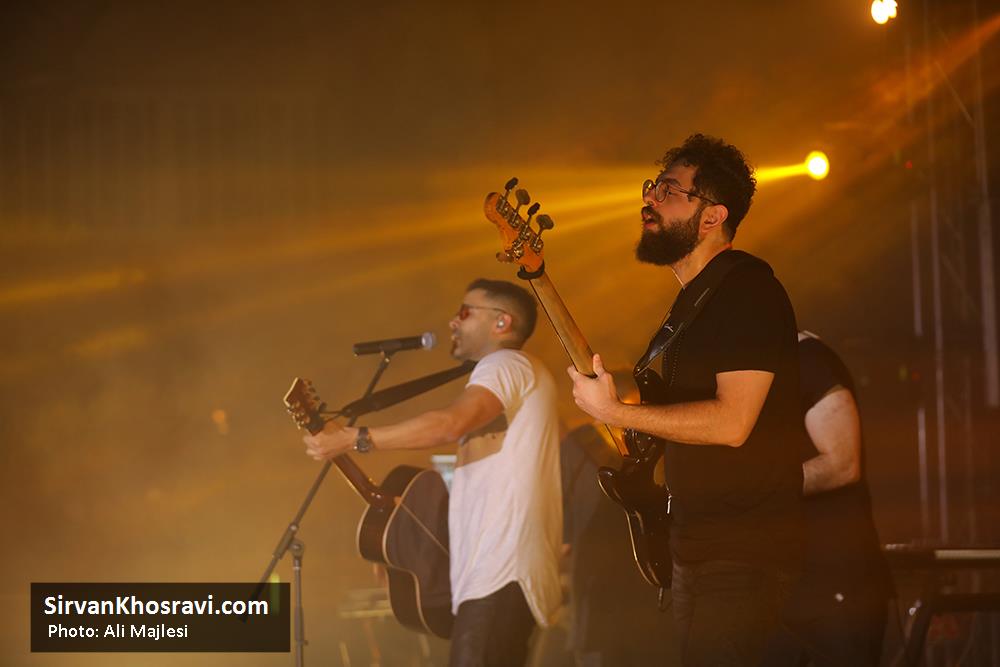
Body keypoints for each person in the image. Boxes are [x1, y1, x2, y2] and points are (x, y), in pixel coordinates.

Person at [567, 134, 804, 666]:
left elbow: (733, 422)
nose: (648, 200)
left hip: (744, 553)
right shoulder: (692, 303)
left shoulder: (747, 291)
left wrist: (615, 412)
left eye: (669, 191)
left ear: (712, 216)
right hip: (694, 547)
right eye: (652, 187)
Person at [304, 278, 563, 667]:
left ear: (501, 322)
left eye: (464, 312)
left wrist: (355, 438)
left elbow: (448, 424)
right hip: (496, 579)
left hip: (502, 575)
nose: (452, 322)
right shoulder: (511, 376)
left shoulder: (505, 364)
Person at [763, 331, 893, 666]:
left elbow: (843, 464)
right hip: (781, 587)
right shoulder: (747, 376)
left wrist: (754, 488)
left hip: (835, 585)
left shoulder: (808, 359)